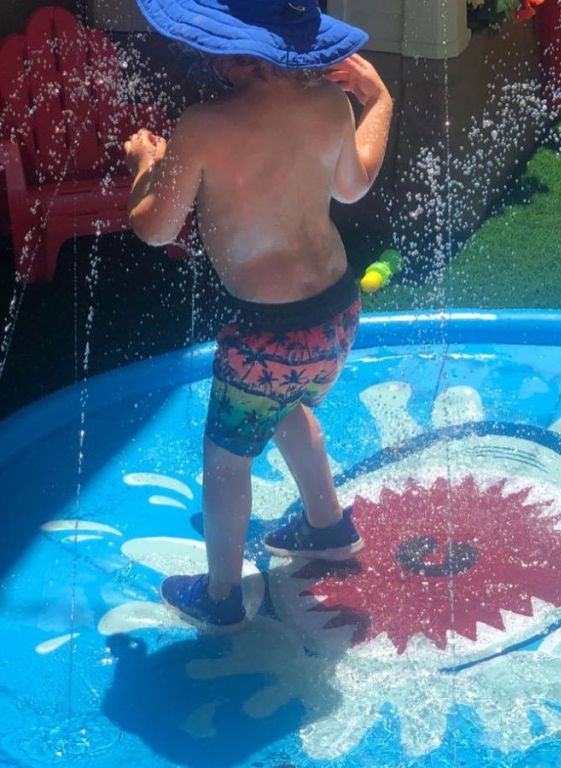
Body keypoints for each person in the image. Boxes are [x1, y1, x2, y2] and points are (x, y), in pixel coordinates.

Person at [123, 0, 393, 633]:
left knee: (225, 463)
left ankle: (220, 596)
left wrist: (145, 167)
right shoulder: (330, 104)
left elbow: (156, 229)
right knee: (288, 405)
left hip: (267, 336)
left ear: (229, 51)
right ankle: (327, 523)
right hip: (336, 314)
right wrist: (377, 100)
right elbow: (351, 188)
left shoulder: (204, 126)